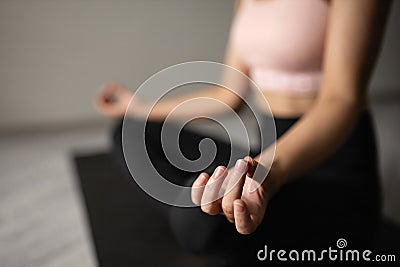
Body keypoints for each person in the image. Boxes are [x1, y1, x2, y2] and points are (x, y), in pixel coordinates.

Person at [96, 0, 392, 266]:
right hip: (264, 153)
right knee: (132, 134)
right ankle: (202, 216)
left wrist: (264, 175)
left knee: (197, 217)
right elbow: (229, 94)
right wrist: (138, 106)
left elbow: (342, 100)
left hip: (329, 169)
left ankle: (196, 219)